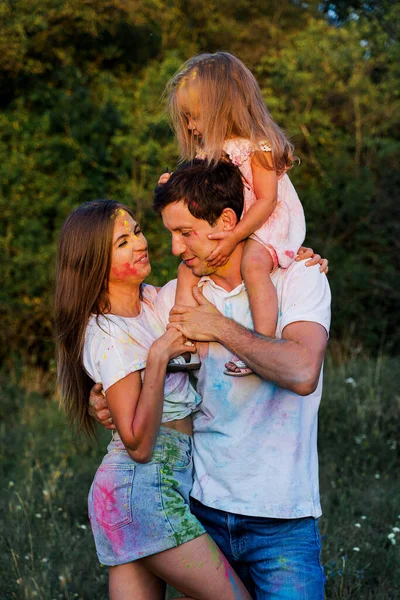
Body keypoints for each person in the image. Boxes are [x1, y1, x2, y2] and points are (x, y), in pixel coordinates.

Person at [91, 160, 331, 599]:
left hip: (282, 522)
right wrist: (102, 395)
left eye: (185, 233)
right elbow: (116, 338)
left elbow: (301, 372)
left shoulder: (299, 278)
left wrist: (217, 327)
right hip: (202, 510)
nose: (174, 248)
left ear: (226, 221)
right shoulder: (169, 299)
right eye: (167, 233)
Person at [54, 200, 252, 600]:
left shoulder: (152, 303)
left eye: (138, 231)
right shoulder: (107, 334)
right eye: (122, 243)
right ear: (93, 263)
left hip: (148, 488)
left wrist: (294, 256)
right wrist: (159, 356)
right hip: (141, 488)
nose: (140, 243)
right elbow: (139, 445)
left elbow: (210, 264)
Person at [160, 52, 306, 376]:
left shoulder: (259, 144)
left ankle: (261, 342)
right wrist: (173, 184)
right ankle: (184, 340)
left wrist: (237, 236)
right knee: (187, 270)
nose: (190, 126)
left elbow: (267, 200)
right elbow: (200, 191)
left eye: (193, 116)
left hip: (266, 221)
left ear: (219, 108)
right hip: (235, 223)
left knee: (254, 266)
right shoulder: (208, 151)